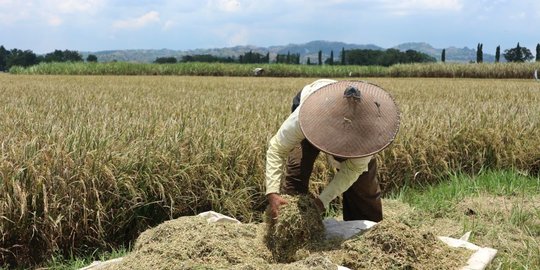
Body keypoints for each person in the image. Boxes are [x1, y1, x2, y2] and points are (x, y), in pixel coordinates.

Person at [265, 79, 400, 222]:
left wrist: (322, 202)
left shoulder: (370, 133)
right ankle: (287, 226)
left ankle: (365, 229)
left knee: (364, 182)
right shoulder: (306, 116)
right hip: (314, 107)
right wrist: (272, 193)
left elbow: (352, 170)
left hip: (354, 129)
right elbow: (277, 148)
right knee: (297, 170)